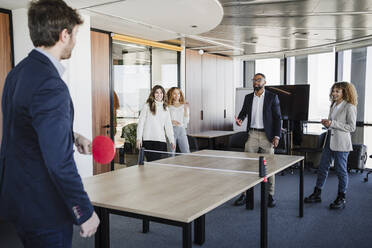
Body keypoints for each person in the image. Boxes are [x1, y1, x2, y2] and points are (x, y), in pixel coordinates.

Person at [0, 0, 99, 247]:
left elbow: (26, 128)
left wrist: (72, 135)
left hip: (17, 201)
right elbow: (58, 161)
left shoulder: (17, 73)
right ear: (64, 34)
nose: (75, 41)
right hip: (44, 209)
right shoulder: (51, 85)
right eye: (75, 34)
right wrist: (84, 211)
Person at [304, 82, 357, 210]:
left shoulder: (349, 107)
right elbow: (333, 125)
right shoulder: (333, 105)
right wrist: (328, 124)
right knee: (322, 168)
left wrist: (332, 123)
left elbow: (351, 127)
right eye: (333, 91)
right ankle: (317, 193)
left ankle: (341, 197)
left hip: (341, 144)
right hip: (329, 141)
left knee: (340, 171)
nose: (334, 93)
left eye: (337, 91)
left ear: (345, 92)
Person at [234, 73, 281, 208]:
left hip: (267, 136)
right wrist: (240, 120)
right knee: (247, 165)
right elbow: (243, 112)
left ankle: (270, 195)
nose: (255, 82)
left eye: (258, 80)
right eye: (254, 80)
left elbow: (278, 118)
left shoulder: (272, 97)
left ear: (264, 82)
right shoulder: (248, 97)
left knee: (269, 167)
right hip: (253, 134)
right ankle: (244, 194)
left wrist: (276, 136)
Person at [136, 85, 175, 161]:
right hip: (148, 140)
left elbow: (168, 126)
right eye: (156, 92)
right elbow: (141, 124)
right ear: (153, 94)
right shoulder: (147, 106)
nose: (159, 94)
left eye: (161, 92)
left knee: (158, 166)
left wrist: (172, 140)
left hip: (161, 140)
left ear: (163, 94)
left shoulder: (165, 108)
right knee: (151, 164)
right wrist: (138, 138)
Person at [167, 87, 190, 153]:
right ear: (171, 94)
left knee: (186, 152)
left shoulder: (184, 105)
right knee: (171, 153)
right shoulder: (168, 106)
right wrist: (171, 121)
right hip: (171, 131)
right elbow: (164, 120)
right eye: (174, 93)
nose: (177, 96)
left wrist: (186, 110)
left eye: (178, 94)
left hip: (181, 130)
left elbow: (186, 122)